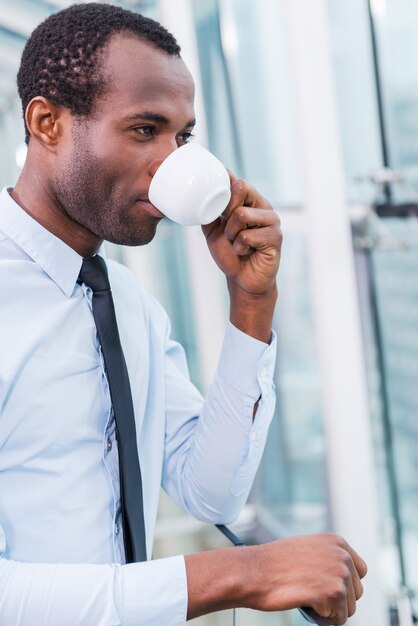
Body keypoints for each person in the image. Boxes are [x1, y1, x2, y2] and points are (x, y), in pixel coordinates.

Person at [0, 3, 367, 625]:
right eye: (145, 130)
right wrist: (239, 573)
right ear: (48, 123)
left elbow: (209, 488)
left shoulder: (128, 304)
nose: (173, 162)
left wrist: (252, 304)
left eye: (184, 137)